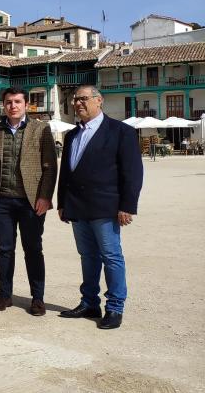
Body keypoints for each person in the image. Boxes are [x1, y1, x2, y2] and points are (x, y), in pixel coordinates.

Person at [57, 85, 143, 330]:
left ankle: (115, 307)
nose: (78, 104)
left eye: (84, 99)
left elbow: (133, 172)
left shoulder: (120, 132)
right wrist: (62, 202)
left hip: (106, 207)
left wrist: (127, 205)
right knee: (87, 257)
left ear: (99, 101)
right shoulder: (72, 135)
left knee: (111, 257)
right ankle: (89, 302)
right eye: (75, 100)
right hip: (77, 207)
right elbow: (66, 172)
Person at [0, 87, 57, 316]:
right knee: (4, 249)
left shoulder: (40, 128)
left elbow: (50, 166)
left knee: (33, 249)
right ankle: (5, 295)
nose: (12, 106)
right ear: (3, 105)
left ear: (26, 105)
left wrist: (45, 197)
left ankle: (38, 298)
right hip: (1, 201)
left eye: (17, 102)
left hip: (31, 202)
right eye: (8, 102)